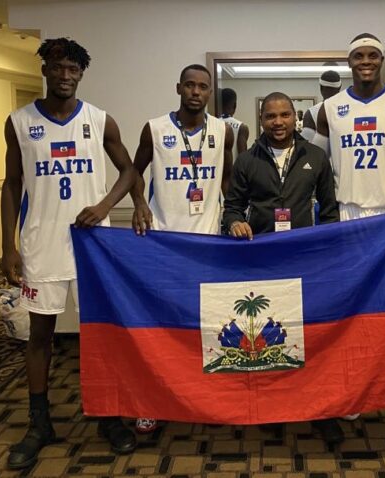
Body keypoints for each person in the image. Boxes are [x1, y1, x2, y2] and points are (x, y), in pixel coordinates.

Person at [0, 38, 138, 469]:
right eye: (58, 67)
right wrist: (9, 243)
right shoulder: (19, 122)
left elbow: (130, 170)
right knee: (39, 336)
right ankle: (39, 422)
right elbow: (12, 183)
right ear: (45, 70)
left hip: (92, 247)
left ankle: (109, 417)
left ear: (81, 74)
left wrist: (104, 207)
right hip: (42, 244)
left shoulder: (99, 121)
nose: (65, 76)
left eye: (73, 69)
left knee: (102, 333)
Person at [313, 33, 385, 427]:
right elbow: (314, 164)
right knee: (350, 311)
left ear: (382, 59)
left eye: (373, 55)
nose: (366, 61)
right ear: (349, 62)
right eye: (359, 56)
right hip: (347, 216)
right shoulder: (329, 110)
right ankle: (354, 390)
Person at [223, 91, 342, 444]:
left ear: (296, 117)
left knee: (312, 336)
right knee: (270, 336)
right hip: (262, 263)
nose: (278, 122)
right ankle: (271, 404)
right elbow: (232, 207)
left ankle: (321, 410)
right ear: (261, 119)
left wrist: (328, 255)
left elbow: (331, 213)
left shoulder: (316, 156)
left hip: (305, 262)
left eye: (285, 115)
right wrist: (233, 223)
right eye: (271, 116)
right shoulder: (246, 160)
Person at [130, 64, 233, 433]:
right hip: (164, 244)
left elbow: (228, 180)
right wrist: (140, 204)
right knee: (159, 328)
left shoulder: (222, 131)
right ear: (178, 87)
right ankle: (151, 400)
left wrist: (234, 217)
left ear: (210, 92)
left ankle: (202, 395)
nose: (196, 92)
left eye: (203, 87)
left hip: (207, 244)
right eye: (189, 85)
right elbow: (133, 172)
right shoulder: (155, 128)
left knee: (204, 327)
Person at [300, 70, 342, 141]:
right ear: (339, 88)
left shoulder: (311, 113)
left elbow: (306, 144)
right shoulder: (350, 109)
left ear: (321, 88)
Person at [220, 88, 249, 160]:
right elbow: (243, 158)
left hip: (216, 170)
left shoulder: (212, 124)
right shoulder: (241, 127)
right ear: (235, 105)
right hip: (234, 170)